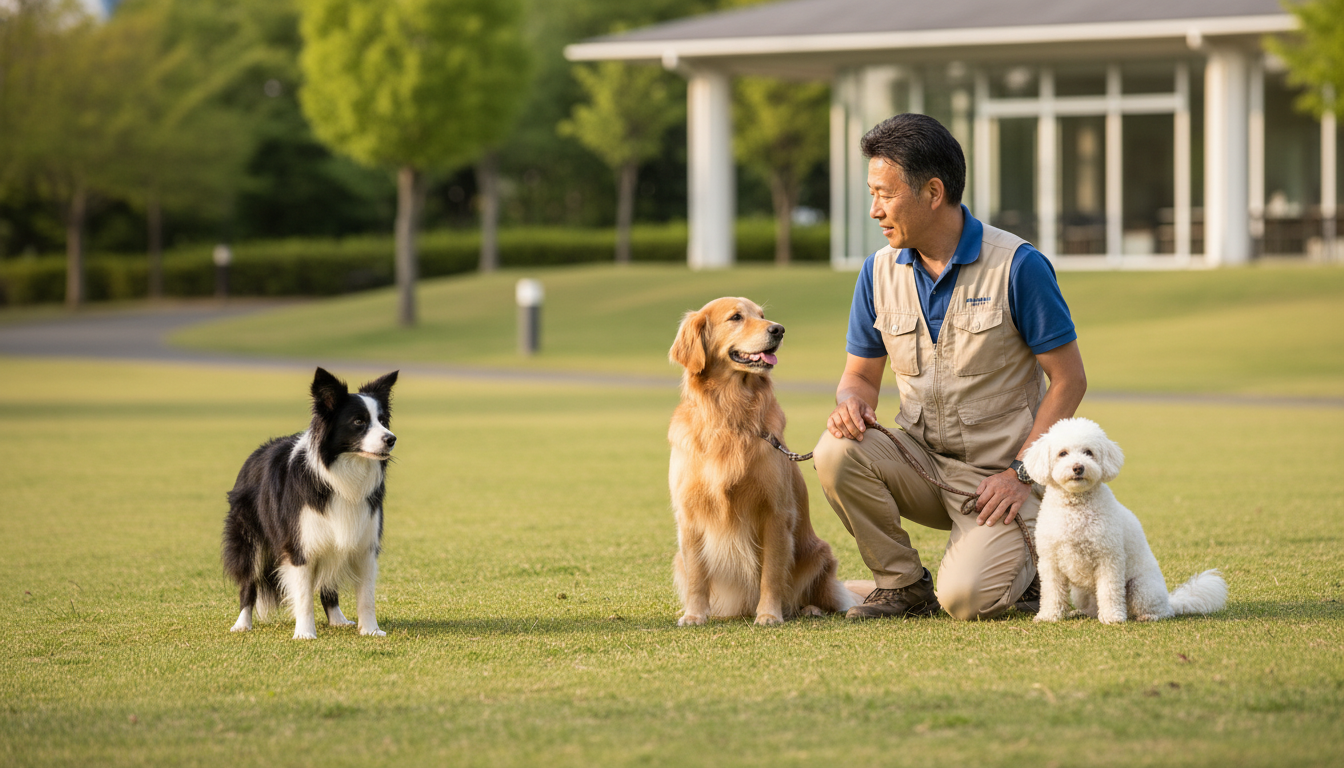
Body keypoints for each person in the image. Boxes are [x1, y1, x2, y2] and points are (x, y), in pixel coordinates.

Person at [813, 113, 1087, 621]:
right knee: (835, 450)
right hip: (921, 465)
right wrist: (851, 405)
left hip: (1001, 483)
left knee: (965, 601)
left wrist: (1021, 473)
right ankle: (901, 585)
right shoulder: (876, 272)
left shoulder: (1019, 266)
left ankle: (1021, 574)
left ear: (933, 192)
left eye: (885, 194)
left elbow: (1070, 379)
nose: (874, 210)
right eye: (871, 193)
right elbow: (859, 377)